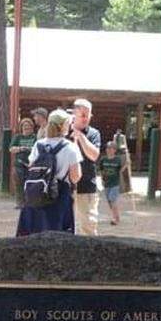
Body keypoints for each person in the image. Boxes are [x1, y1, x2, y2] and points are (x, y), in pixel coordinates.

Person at [16, 108, 81, 237]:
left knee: (33, 232)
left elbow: (31, 166)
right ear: (64, 126)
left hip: (37, 192)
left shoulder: (38, 145)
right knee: (57, 235)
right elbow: (75, 177)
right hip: (59, 194)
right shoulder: (71, 148)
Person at [68, 98, 102, 236]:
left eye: (88, 115)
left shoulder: (94, 134)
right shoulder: (63, 131)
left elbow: (94, 155)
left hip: (87, 187)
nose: (86, 118)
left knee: (88, 228)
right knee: (64, 228)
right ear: (74, 114)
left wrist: (80, 136)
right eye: (82, 115)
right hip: (65, 187)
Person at [8, 117, 37, 207]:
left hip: (31, 164)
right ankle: (19, 202)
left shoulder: (35, 137)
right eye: (24, 127)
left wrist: (28, 149)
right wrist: (21, 148)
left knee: (30, 184)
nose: (26, 129)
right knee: (19, 184)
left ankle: (29, 202)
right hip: (19, 164)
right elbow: (11, 149)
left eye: (28, 127)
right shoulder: (17, 137)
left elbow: (36, 149)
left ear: (32, 128)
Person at [97, 141, 124, 226]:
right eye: (107, 148)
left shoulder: (117, 160)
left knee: (112, 199)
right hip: (107, 183)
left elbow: (121, 170)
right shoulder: (103, 159)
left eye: (111, 148)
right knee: (109, 201)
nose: (108, 150)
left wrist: (126, 166)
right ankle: (115, 215)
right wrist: (101, 179)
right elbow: (101, 170)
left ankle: (116, 219)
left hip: (115, 183)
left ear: (114, 150)